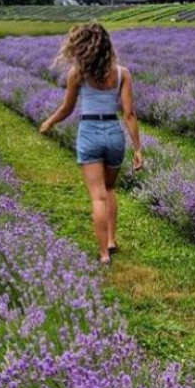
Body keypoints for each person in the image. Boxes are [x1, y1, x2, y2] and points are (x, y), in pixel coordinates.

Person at [39, 21, 144, 265]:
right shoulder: (122, 73)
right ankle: (111, 240)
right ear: (106, 45)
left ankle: (104, 255)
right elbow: (129, 114)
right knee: (109, 189)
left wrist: (49, 122)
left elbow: (67, 108)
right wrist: (138, 148)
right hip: (113, 133)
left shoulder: (77, 73)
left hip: (89, 133)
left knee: (98, 197)